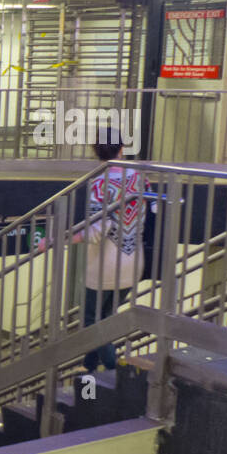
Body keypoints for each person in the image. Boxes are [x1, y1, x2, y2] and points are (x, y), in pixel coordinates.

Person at [74, 140, 150, 371]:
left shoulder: (100, 183)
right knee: (106, 316)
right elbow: (153, 210)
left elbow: (97, 231)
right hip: (133, 261)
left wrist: (61, 238)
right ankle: (89, 365)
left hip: (103, 266)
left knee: (90, 320)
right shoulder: (140, 178)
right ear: (121, 150)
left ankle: (113, 368)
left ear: (96, 152)